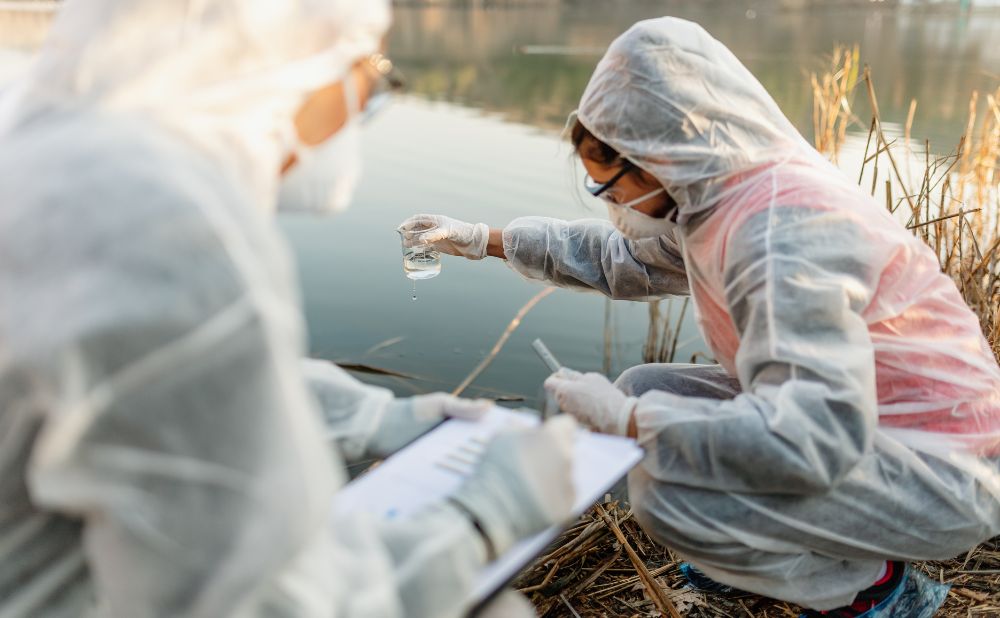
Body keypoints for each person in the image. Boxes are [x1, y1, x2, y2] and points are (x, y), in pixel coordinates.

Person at [399, 17, 1000, 617]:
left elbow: (813, 440)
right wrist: (480, 239)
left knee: (668, 500)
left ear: (661, 157)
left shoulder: (779, 234)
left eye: (610, 185)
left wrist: (636, 423)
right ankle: (780, 557)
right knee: (645, 388)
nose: (609, 204)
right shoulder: (719, 198)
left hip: (944, 470)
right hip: (875, 425)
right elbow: (616, 259)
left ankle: (879, 590)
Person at [0, 1, 577, 617]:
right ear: (290, 49)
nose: (368, 100)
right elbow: (269, 605)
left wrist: (362, 416)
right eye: (370, 68)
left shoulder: (48, 155)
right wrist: (480, 518)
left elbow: (140, 387)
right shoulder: (166, 231)